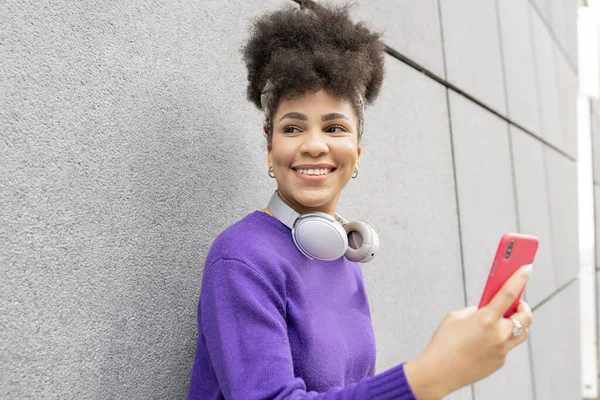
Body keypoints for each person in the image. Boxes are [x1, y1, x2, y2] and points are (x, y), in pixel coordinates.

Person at [187, 3, 534, 399]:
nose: (314, 145)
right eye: (293, 127)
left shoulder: (340, 254)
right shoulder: (241, 258)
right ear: (270, 150)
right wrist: (431, 375)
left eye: (334, 127)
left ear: (356, 154)